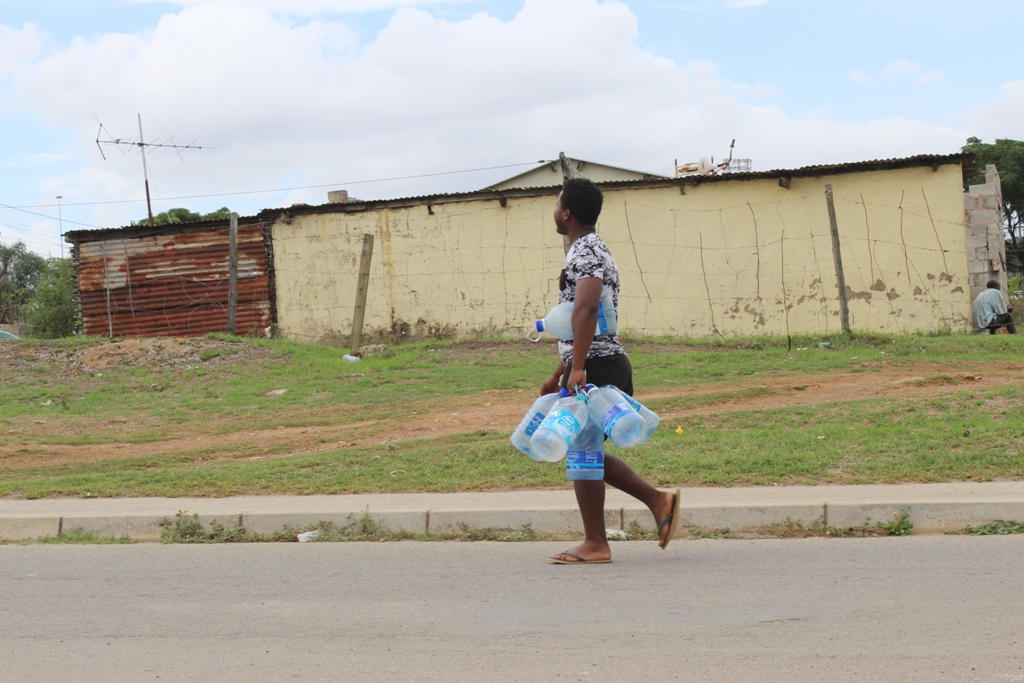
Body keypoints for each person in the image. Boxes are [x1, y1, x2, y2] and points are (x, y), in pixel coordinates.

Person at [540, 177, 680, 565]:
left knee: (582, 450)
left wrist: (579, 366)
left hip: (598, 365)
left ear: (566, 213)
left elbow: (585, 311)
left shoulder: (585, 253)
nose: (554, 209)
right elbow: (581, 322)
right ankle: (657, 501)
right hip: (594, 361)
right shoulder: (588, 249)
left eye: (556, 203)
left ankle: (597, 543)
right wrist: (561, 370)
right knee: (583, 450)